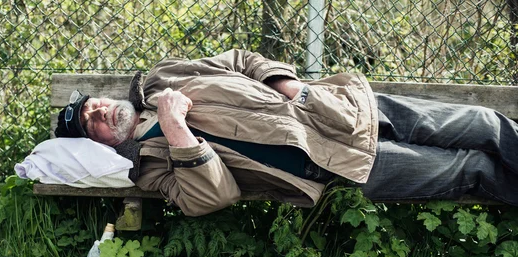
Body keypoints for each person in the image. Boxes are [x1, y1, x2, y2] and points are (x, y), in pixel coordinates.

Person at [54, 49, 518, 216]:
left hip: (341, 111)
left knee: (486, 125)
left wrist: (287, 84)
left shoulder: (162, 79)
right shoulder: (149, 167)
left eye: (90, 103)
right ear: (99, 145)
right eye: (87, 123)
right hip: (341, 166)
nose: (96, 110)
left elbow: (240, 60)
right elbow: (211, 198)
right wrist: (176, 129)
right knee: (472, 169)